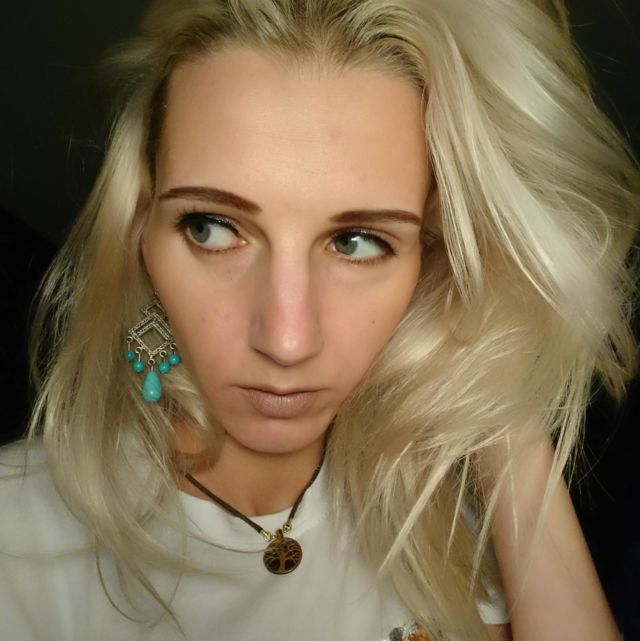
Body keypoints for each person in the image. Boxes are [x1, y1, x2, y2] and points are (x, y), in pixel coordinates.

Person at [1, 0, 638, 639]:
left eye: (358, 242)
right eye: (212, 228)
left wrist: (496, 381)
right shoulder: (21, 537)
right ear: (140, 235)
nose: (286, 341)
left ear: (428, 261)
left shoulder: (440, 506)